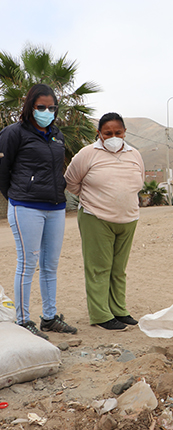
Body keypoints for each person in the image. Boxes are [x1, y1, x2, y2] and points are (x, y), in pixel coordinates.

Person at [0, 83, 77, 339]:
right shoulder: (14, 133)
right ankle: (23, 321)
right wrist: (15, 196)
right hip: (26, 206)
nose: (46, 111)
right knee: (27, 263)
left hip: (55, 207)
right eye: (41, 107)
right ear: (30, 107)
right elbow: (3, 170)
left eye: (51, 107)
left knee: (50, 265)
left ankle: (49, 317)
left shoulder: (57, 135)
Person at [64, 112, 144, 331]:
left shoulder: (135, 155)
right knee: (99, 268)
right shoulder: (87, 154)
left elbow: (139, 181)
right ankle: (101, 314)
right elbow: (71, 182)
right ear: (99, 133)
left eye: (118, 132)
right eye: (107, 133)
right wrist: (94, 200)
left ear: (125, 132)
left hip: (128, 219)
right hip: (95, 218)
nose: (113, 136)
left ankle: (119, 310)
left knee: (119, 269)